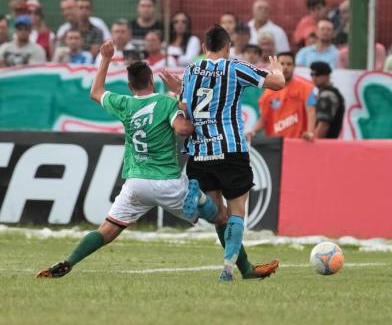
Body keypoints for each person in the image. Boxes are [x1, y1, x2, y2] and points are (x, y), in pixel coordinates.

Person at [36, 40, 218, 278]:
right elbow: (183, 130)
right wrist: (182, 100)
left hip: (136, 183)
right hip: (168, 182)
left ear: (130, 86)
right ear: (151, 80)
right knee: (218, 216)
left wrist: (105, 58)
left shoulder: (124, 104)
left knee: (108, 230)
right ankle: (238, 262)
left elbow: (95, 92)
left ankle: (70, 262)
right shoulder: (165, 103)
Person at [175, 24, 284, 281]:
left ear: (203, 47)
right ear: (228, 47)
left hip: (200, 152)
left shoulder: (190, 70)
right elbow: (277, 83)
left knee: (218, 216)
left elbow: (183, 106)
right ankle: (227, 268)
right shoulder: (235, 66)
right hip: (230, 149)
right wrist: (276, 68)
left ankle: (201, 202)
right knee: (236, 212)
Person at [249, 51, 316, 140]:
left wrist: (310, 132)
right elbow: (263, 119)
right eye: (282, 64)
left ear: (294, 66)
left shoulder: (307, 88)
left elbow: (311, 111)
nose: (285, 67)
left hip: (298, 141)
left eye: (289, 64)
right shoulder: (268, 93)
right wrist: (253, 131)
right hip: (276, 144)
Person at [310, 61, 345, 138]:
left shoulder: (327, 96)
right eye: (312, 75)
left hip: (324, 144)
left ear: (327, 76)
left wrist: (314, 146)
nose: (314, 78)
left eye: (318, 75)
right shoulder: (330, 93)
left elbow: (323, 126)